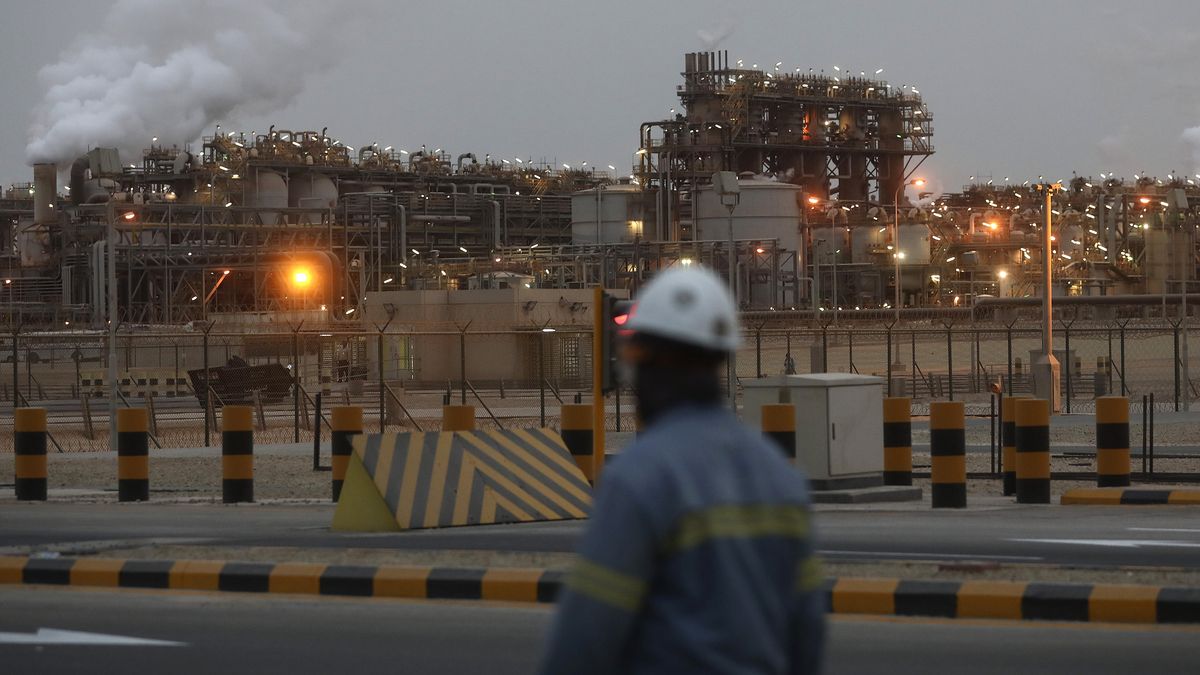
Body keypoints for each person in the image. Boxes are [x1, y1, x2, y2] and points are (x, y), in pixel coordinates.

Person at [539, 265, 825, 675]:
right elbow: (808, 628)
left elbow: (587, 633)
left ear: (640, 361)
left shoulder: (639, 478)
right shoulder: (780, 476)